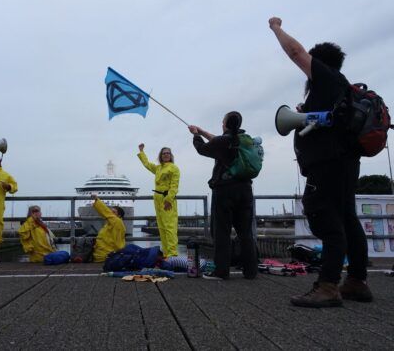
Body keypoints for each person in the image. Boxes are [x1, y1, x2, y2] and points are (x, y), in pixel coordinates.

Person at [269, 17, 372, 307]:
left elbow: (295, 52)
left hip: (327, 164)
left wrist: (276, 27)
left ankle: (327, 286)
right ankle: (356, 281)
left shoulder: (326, 78)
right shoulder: (340, 88)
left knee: (326, 219)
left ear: (319, 61)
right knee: (348, 218)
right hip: (345, 163)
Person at [188, 112, 258, 280]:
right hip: (245, 189)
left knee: (221, 232)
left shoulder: (224, 141)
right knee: (246, 233)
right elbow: (217, 139)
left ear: (225, 124)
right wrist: (203, 131)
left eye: (222, 122)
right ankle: (251, 271)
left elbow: (202, 149)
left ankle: (221, 271)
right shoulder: (246, 140)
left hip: (225, 190)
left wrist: (196, 136)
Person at [137, 144, 180, 258]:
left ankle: (172, 254)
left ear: (171, 156)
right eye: (164, 153)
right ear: (161, 156)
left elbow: (174, 186)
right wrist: (141, 152)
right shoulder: (159, 168)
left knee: (169, 227)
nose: (166, 155)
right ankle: (166, 253)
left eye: (168, 153)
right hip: (157, 198)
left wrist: (168, 200)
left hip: (167, 198)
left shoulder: (174, 168)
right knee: (161, 227)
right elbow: (147, 164)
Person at [91, 194, 126, 262]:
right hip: (105, 255)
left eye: (114, 212)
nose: (111, 213)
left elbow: (105, 212)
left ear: (119, 215)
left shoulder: (116, 221)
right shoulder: (111, 224)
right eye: (111, 211)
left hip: (106, 255)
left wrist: (97, 200)